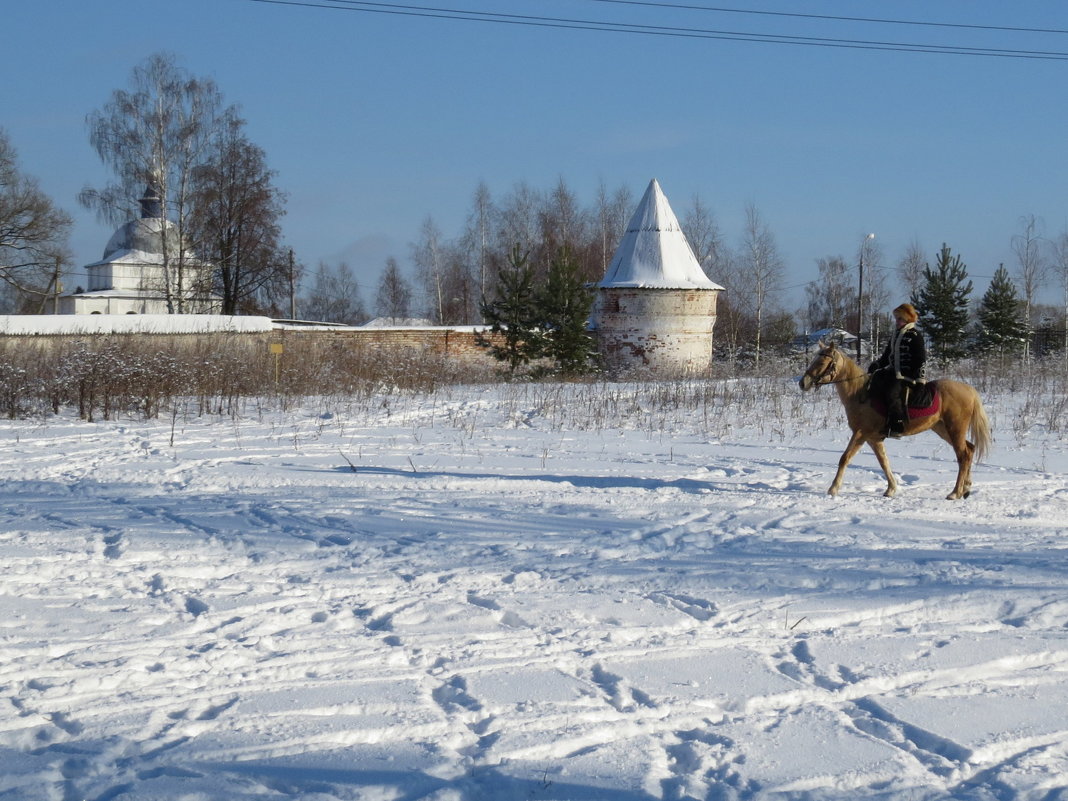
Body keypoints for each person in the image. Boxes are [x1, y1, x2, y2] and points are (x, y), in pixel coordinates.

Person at [868, 302, 927, 438]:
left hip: (907, 376)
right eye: (896, 318)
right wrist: (877, 365)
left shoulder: (915, 335)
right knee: (874, 382)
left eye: (900, 319)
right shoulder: (895, 335)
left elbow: (921, 359)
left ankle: (897, 425)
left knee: (892, 392)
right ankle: (878, 419)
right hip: (893, 372)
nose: (897, 321)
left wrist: (920, 381)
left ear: (907, 319)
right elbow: (887, 356)